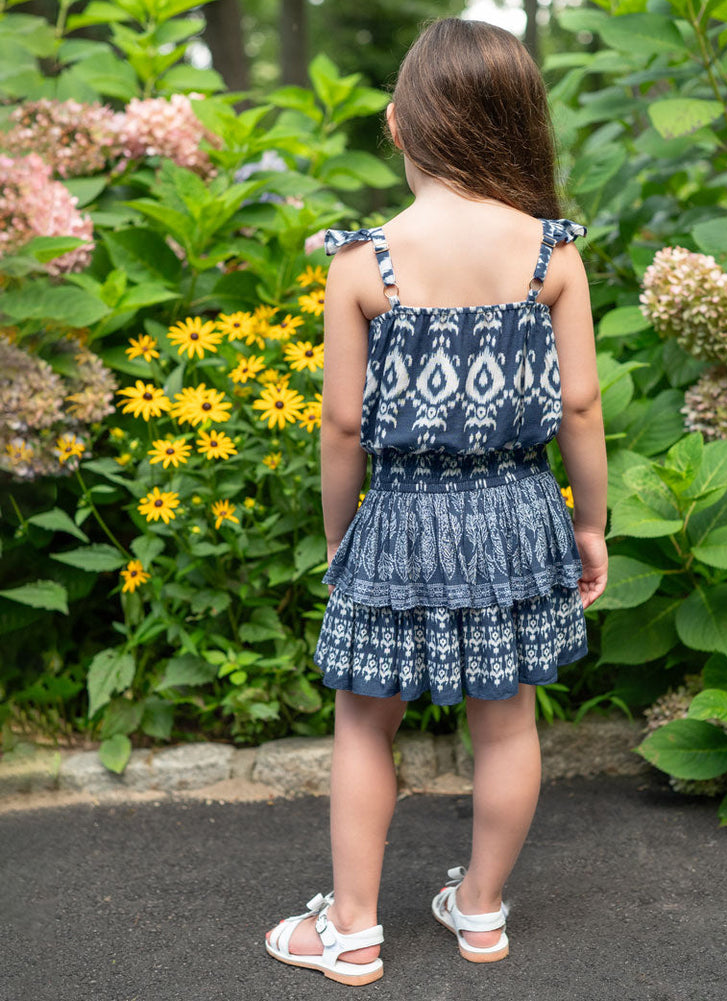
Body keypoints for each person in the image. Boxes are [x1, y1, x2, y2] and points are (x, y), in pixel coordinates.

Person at [265, 16, 608, 986]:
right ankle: (482, 908)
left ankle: (353, 929)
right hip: (515, 509)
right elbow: (578, 402)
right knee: (506, 717)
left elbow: (339, 426)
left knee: (362, 716)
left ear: (396, 124)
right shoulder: (549, 254)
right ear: (518, 127)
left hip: (403, 514)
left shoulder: (363, 261)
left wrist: (342, 534)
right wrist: (587, 520)